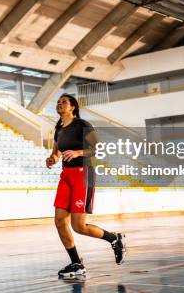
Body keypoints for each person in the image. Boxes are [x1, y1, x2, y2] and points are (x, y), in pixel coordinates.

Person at [46, 93, 126, 278]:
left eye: (63, 102)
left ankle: (114, 238)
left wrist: (77, 152)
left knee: (78, 225)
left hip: (83, 175)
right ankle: (76, 263)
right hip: (66, 176)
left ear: (72, 107)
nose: (60, 104)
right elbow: (56, 153)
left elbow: (96, 148)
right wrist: (52, 159)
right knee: (59, 221)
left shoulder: (82, 125)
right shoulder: (58, 129)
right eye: (58, 102)